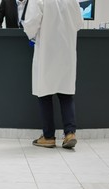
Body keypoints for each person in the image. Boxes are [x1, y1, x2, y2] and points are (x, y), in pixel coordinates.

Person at [23, 0, 83, 149]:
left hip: (46, 52)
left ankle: (48, 137)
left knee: (44, 93)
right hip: (66, 51)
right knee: (66, 93)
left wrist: (31, 34)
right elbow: (78, 23)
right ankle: (70, 133)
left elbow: (30, 25)